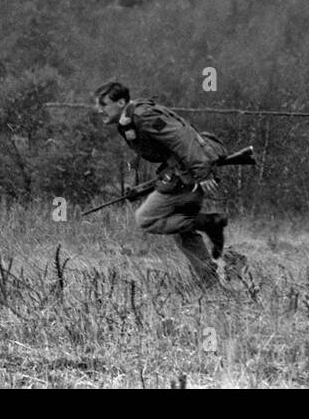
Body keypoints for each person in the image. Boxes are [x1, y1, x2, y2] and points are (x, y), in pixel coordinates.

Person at [94, 80, 228, 286]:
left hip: (189, 174)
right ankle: (210, 282)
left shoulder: (143, 115)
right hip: (183, 173)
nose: (99, 110)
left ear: (121, 103)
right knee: (182, 230)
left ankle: (210, 223)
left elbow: (182, 138)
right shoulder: (130, 119)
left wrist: (203, 173)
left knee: (146, 218)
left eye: (103, 104)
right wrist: (139, 188)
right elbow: (165, 153)